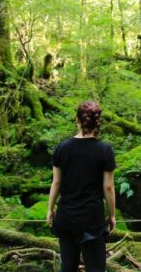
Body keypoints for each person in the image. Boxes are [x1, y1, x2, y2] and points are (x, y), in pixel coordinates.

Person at [46, 101, 116, 272]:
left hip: (66, 216)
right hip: (91, 218)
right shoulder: (104, 149)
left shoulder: (62, 147)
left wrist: (50, 209)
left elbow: (56, 182)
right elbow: (108, 187)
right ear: (98, 122)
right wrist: (112, 214)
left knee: (68, 268)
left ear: (77, 120)